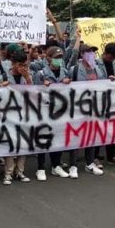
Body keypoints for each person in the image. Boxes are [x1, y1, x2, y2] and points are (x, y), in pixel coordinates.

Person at [69, 30, 106, 177]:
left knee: (92, 135)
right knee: (75, 136)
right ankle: (73, 165)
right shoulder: (75, 69)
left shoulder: (98, 68)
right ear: (82, 54)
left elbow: (103, 85)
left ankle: (90, 163)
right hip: (78, 107)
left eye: (93, 52)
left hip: (94, 107)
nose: (91, 54)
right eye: (88, 52)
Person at [33, 46, 72, 181]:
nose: (59, 60)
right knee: (44, 139)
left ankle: (56, 165)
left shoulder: (65, 72)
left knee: (58, 138)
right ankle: (41, 168)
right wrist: (42, 86)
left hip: (60, 111)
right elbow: (34, 93)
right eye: (56, 58)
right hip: (44, 111)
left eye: (60, 57)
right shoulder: (41, 74)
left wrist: (66, 83)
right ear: (48, 58)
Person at [0, 51, 33, 185]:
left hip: (25, 114)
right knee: (10, 143)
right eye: (20, 65)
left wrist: (28, 78)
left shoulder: (27, 76)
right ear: (13, 64)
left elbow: (34, 93)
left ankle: (20, 171)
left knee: (23, 143)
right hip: (9, 114)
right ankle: (8, 172)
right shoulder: (3, 75)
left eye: (25, 65)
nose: (23, 68)